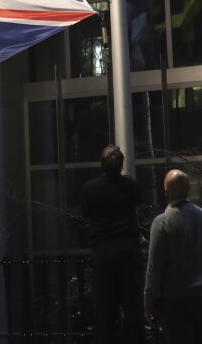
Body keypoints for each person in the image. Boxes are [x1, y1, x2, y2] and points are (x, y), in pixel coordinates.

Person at [144, 169, 202, 344]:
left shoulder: (162, 223)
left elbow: (154, 269)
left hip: (175, 299)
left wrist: (148, 304)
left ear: (166, 191)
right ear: (188, 189)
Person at [80, 145, 144, 344]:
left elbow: (86, 214)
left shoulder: (90, 189)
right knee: (132, 306)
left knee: (105, 308)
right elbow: (139, 205)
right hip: (128, 250)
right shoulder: (131, 186)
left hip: (103, 251)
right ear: (121, 164)